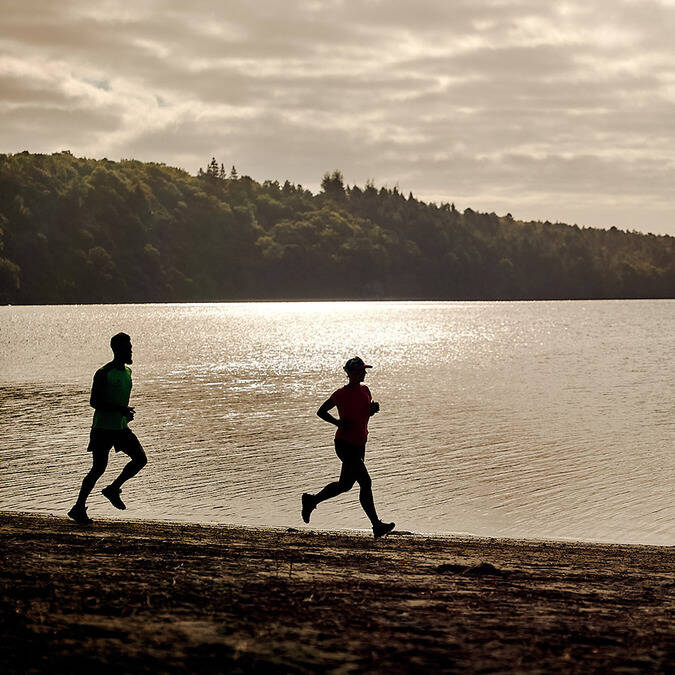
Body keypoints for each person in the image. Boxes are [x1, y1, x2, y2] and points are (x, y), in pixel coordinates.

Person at [302, 357, 395, 539]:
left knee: (345, 485)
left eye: (364, 370)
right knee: (365, 482)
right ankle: (377, 525)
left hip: (360, 444)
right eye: (361, 370)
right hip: (345, 445)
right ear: (351, 373)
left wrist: (372, 410)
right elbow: (321, 411)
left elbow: (363, 413)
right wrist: (337, 423)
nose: (365, 373)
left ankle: (311, 500)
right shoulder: (340, 394)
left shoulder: (365, 390)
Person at [68, 332, 147, 524]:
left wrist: (125, 415)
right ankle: (79, 507)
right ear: (117, 350)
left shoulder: (128, 372)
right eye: (127, 348)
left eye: (131, 347)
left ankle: (113, 489)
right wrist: (120, 409)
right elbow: (95, 401)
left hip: (120, 428)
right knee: (98, 468)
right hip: (102, 429)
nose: (131, 350)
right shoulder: (103, 373)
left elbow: (118, 399)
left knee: (140, 459)